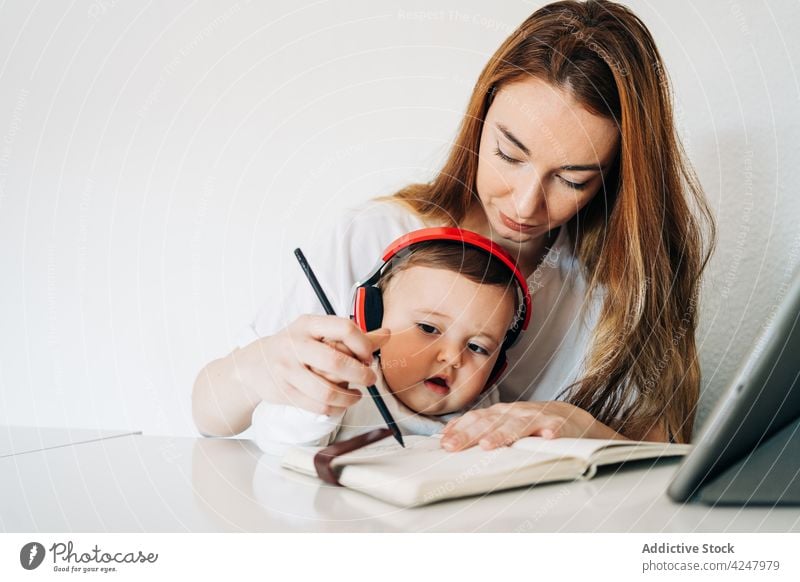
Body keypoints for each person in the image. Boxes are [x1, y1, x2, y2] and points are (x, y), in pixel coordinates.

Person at [192, 0, 716, 450]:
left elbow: (668, 459)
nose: (526, 205)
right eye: (509, 155)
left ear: (616, 178)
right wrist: (259, 367)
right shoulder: (375, 236)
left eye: (573, 179)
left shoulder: (621, 288)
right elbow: (209, 415)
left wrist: (582, 427)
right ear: (479, 119)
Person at [252, 229, 530, 454]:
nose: (453, 357)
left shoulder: (485, 412)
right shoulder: (349, 386)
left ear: (496, 369)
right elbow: (279, 439)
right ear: (372, 318)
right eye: (428, 328)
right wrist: (316, 401)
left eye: (478, 347)